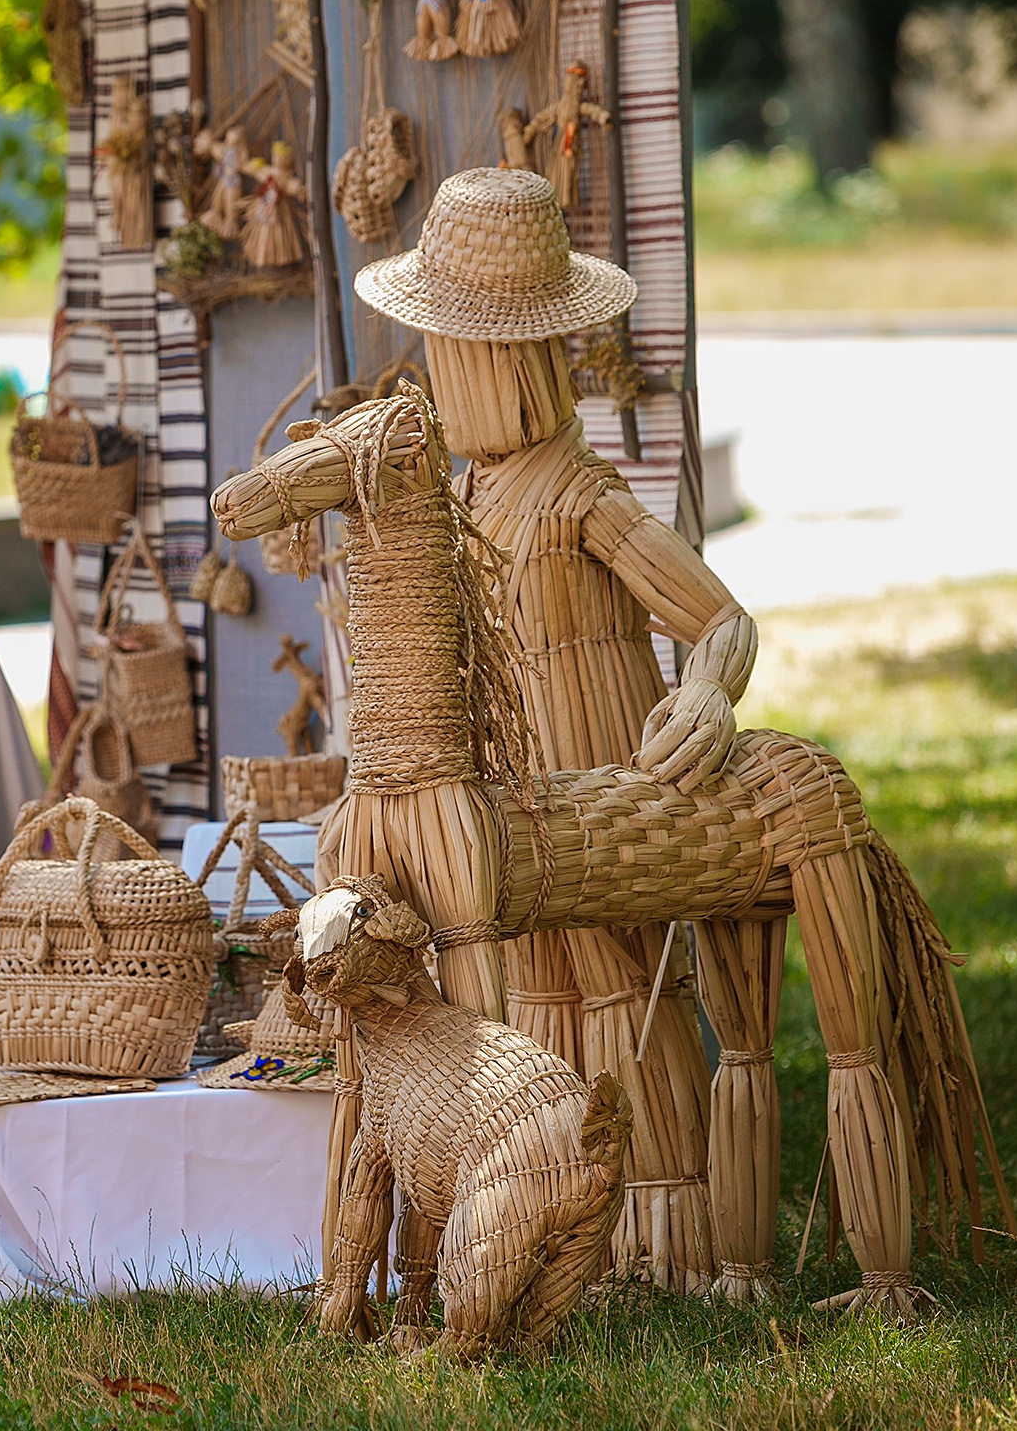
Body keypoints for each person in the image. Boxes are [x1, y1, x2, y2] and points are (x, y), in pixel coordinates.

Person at [354, 167, 760, 1295]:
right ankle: (551, 1215)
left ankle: (662, 1229)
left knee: (624, 992)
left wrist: (706, 691)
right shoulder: (466, 497)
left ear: (507, 361)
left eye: (449, 353)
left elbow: (718, 618)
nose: (436, 374)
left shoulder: (583, 495)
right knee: (533, 1007)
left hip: (599, 802)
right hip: (505, 810)